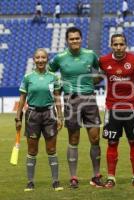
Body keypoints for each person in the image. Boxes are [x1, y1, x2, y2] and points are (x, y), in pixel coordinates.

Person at [48, 27, 103, 188]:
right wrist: (59, 87)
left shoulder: (90, 55)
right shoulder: (60, 58)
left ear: (81, 39)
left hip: (90, 99)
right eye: (71, 39)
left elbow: (101, 70)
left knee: (95, 138)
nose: (75, 41)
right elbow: (49, 74)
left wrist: (93, 82)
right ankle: (73, 177)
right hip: (70, 101)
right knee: (74, 139)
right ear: (67, 40)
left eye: (77, 38)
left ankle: (96, 175)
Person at [15, 48, 63, 192]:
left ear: (47, 59)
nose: (40, 60)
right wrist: (18, 117)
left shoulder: (54, 77)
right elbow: (22, 98)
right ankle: (30, 182)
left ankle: (55, 181)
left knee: (52, 149)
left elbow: (57, 98)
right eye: (38, 58)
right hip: (32, 115)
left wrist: (60, 116)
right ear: (34, 59)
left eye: (43, 57)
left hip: (49, 115)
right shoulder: (28, 77)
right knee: (32, 150)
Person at [99, 33, 134, 188]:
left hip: (131, 108)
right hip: (112, 109)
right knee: (112, 143)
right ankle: (111, 178)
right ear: (111, 45)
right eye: (115, 44)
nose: (118, 47)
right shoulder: (103, 61)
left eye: (121, 44)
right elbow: (97, 78)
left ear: (126, 45)